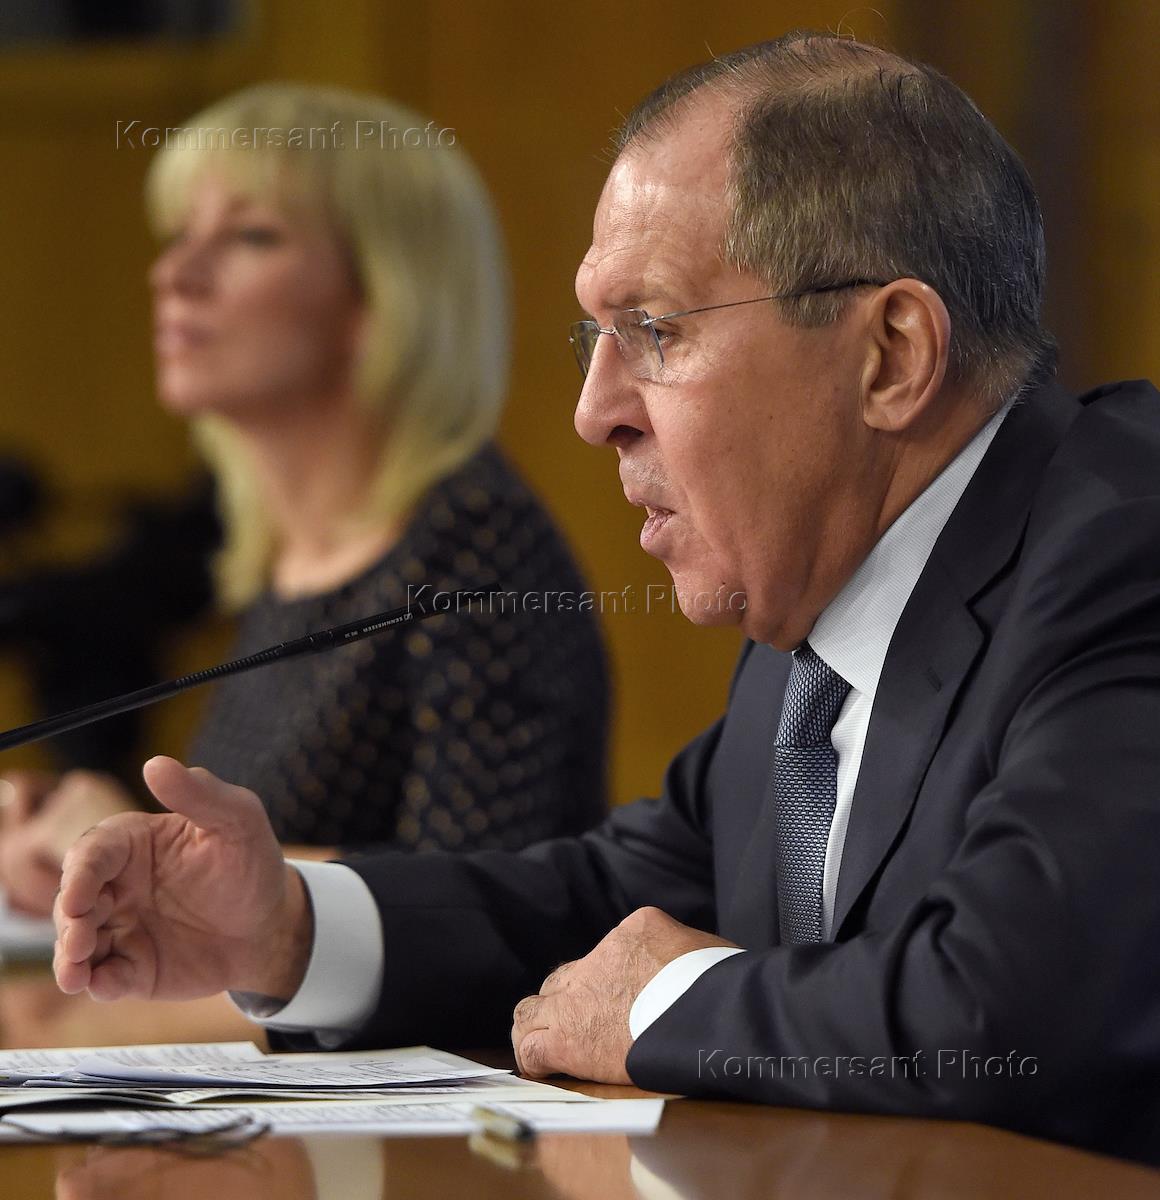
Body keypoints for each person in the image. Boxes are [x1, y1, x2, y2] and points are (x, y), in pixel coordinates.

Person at [52, 36, 1160, 1166]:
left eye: (655, 331)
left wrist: (660, 1004)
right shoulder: (816, 614)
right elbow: (608, 902)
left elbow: (1005, 1009)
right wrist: (287, 926)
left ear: (889, 354)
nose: (594, 411)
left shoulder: (1123, 555)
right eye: (596, 336)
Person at [0, 83, 609, 914]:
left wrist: (146, 848)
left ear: (383, 293)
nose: (173, 274)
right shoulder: (287, 549)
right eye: (179, 236)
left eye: (250, 236)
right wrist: (91, 847)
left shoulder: (474, 546)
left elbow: (487, 893)